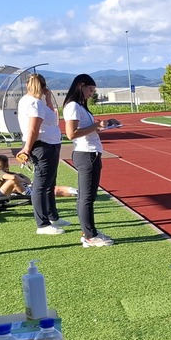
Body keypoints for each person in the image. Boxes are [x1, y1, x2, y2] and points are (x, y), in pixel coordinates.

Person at [63, 73, 115, 247]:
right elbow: (71, 134)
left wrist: (103, 125)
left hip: (90, 152)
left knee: (87, 197)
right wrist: (96, 125)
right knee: (87, 197)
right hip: (86, 154)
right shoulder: (73, 106)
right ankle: (89, 235)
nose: (91, 94)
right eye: (90, 90)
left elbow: (85, 129)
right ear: (81, 86)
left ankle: (88, 232)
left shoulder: (79, 106)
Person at [15, 73, 66, 234]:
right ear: (44, 87)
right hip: (42, 146)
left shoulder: (35, 102)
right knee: (41, 186)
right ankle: (42, 224)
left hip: (49, 144)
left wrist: (48, 99)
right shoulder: (34, 103)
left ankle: (52, 217)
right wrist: (27, 149)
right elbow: (33, 129)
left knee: (49, 183)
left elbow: (52, 117)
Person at [0, 154, 75, 200]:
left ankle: (77, 193)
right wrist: (21, 179)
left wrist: (20, 176)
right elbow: (14, 179)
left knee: (51, 189)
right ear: (7, 165)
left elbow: (27, 180)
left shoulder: (0, 172)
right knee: (13, 180)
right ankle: (28, 194)